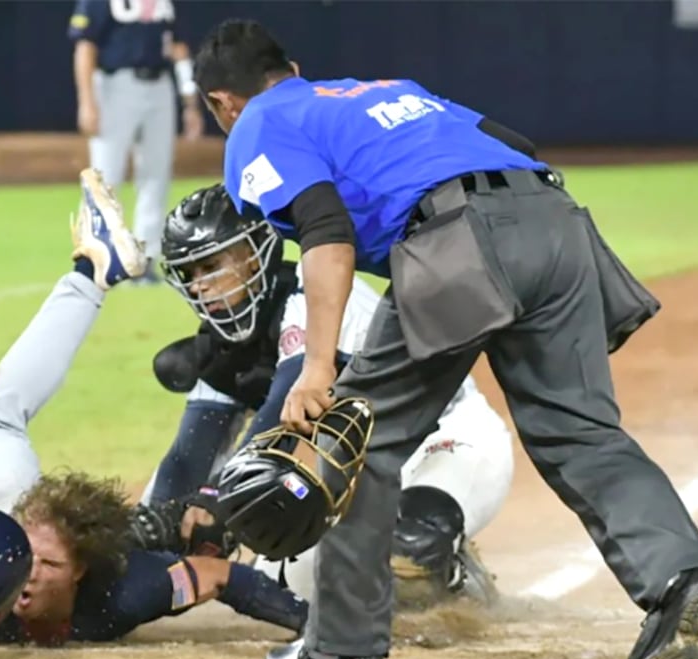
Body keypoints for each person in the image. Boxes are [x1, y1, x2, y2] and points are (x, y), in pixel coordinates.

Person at [193, 19, 698, 659]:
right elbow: (513, 146)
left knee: (357, 439)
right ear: (292, 69)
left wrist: (318, 366)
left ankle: (341, 651)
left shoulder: (255, 127)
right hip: (556, 221)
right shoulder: (383, 90)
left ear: (221, 102)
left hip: (456, 240)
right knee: (582, 432)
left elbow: (326, 231)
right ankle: (683, 577)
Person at [0, 169, 309, 658]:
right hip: (4, 509)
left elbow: (220, 577)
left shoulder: (125, 594)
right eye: (30, 557)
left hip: (108, 546)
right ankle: (92, 274)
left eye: (47, 563)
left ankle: (92, 274)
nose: (28, 576)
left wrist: (313, 622)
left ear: (78, 572)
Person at [144, 183, 513, 609]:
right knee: (285, 579)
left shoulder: (317, 292)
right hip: (357, 472)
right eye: (189, 275)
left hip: (442, 440)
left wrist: (214, 504)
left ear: (255, 253)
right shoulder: (222, 347)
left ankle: (457, 573)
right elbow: (189, 454)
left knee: (410, 551)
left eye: (211, 265)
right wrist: (156, 522)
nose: (200, 286)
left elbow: (284, 412)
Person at [69, 0, 204, 282]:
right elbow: (85, 46)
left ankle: (144, 261)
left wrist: (190, 101)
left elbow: (178, 48)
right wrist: (87, 101)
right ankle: (95, 256)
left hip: (159, 85)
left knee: (156, 174)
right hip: (115, 84)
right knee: (104, 176)